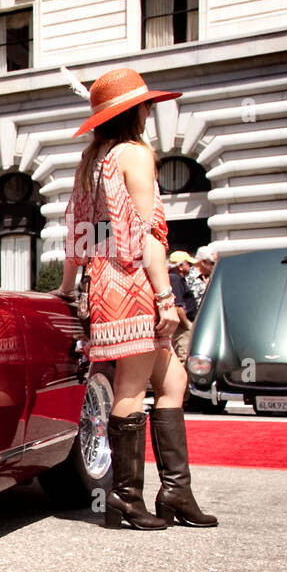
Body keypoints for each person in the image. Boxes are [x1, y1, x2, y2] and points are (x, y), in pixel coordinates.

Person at [56, 67, 216, 530]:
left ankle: (175, 493)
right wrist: (166, 297)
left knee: (173, 382)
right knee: (131, 388)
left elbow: (80, 235)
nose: (150, 111)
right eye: (147, 105)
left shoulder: (94, 159)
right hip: (134, 283)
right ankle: (127, 499)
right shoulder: (136, 155)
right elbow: (147, 237)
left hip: (105, 281)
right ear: (134, 112)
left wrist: (68, 288)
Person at [166, 250, 198, 364]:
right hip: (182, 328)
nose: (191, 267)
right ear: (180, 266)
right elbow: (177, 306)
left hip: (182, 325)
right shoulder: (175, 278)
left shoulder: (175, 278)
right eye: (188, 264)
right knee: (184, 356)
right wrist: (187, 325)